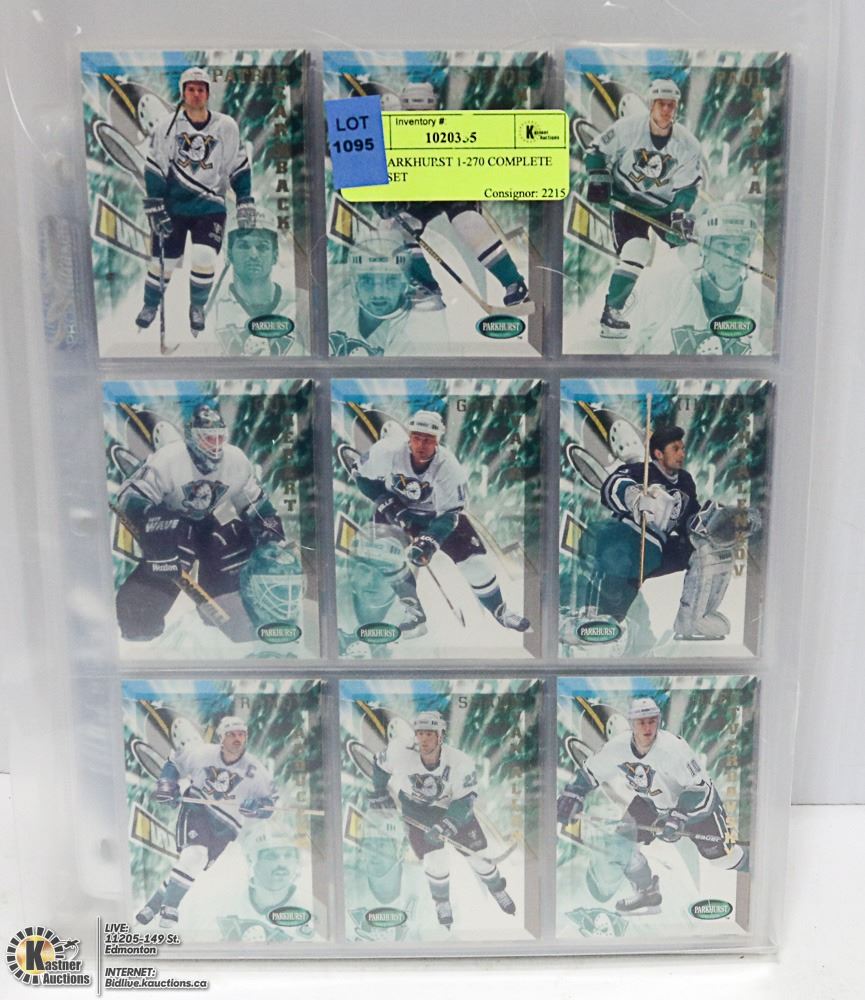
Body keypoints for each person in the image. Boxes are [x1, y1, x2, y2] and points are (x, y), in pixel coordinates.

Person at [112, 400, 286, 642]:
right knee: (174, 552)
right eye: (208, 438)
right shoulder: (169, 458)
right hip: (168, 523)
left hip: (205, 523)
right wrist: (152, 523)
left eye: (218, 438)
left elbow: (257, 506)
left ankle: (227, 606)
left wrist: (270, 530)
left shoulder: (235, 461)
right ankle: (140, 617)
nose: (214, 445)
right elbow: (130, 497)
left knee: (232, 538)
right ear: (192, 438)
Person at [556, 698, 746, 914]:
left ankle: (753, 868)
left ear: (658, 721)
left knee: (723, 860)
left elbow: (700, 789)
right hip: (652, 803)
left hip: (698, 809)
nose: (647, 728)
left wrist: (679, 816)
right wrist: (574, 793)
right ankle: (648, 893)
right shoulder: (618, 747)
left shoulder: (673, 749)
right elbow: (591, 771)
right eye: (641, 722)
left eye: (652, 721)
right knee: (621, 845)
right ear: (631, 724)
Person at [353, 409, 529, 633]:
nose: (421, 445)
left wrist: (429, 541)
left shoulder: (449, 467)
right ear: (409, 437)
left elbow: (451, 514)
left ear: (437, 441)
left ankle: (500, 611)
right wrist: (389, 505)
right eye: (417, 438)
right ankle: (413, 608)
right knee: (385, 554)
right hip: (397, 509)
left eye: (428, 440)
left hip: (438, 517)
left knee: (476, 565)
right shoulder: (387, 451)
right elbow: (361, 477)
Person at [569, 424, 746, 645]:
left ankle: (693, 620)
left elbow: (691, 519)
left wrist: (722, 522)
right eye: (675, 449)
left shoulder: (685, 481)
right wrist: (635, 497)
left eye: (683, 448)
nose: (682, 454)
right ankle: (594, 620)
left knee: (710, 549)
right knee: (613, 602)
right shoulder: (640, 471)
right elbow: (612, 486)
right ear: (659, 453)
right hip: (627, 540)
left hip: (656, 550)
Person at [371, 81, 530, 312]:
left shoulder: (449, 128)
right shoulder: (389, 131)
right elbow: (371, 173)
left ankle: (514, 283)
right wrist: (383, 203)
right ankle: (426, 288)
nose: (418, 117)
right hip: (414, 196)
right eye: (412, 111)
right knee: (395, 227)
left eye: (425, 111)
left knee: (468, 222)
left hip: (448, 189)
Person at [135, 67, 255, 337]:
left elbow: (237, 164)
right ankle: (150, 304)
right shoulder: (167, 126)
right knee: (163, 261)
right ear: (183, 92)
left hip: (210, 206)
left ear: (208, 93)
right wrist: (155, 203)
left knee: (204, 255)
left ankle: (197, 306)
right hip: (174, 206)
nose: (196, 94)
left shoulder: (226, 126)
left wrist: (245, 198)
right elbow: (155, 166)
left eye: (201, 89)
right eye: (191, 89)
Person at [369, 711, 515, 929]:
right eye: (420, 733)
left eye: (429, 734)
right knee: (436, 861)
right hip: (417, 811)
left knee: (480, 858)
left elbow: (465, 800)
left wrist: (446, 825)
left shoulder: (460, 762)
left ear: (441, 736)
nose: (424, 739)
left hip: (453, 809)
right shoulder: (399, 750)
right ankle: (442, 902)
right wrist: (379, 790)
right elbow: (380, 767)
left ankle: (497, 889)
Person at [584, 79, 701, 338]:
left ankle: (708, 310)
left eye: (671, 105)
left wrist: (680, 214)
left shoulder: (687, 144)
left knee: (693, 251)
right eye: (661, 104)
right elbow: (596, 151)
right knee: (637, 249)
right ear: (651, 105)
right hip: (627, 202)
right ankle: (612, 313)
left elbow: (688, 187)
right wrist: (598, 177)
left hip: (664, 206)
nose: (666, 110)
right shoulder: (627, 128)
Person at [136, 716, 277, 928]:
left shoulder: (256, 770)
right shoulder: (202, 753)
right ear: (221, 737)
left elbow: (271, 803)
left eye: (241, 734)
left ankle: (151, 907)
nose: (237, 739)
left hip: (227, 827)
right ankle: (170, 909)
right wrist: (167, 783)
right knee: (195, 856)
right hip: (198, 811)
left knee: (191, 865)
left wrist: (258, 808)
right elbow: (174, 763)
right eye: (231, 734)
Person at [634, 202, 766, 354]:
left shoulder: (761, 302)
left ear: (749, 250)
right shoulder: (664, 289)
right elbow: (618, 345)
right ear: (705, 247)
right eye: (723, 245)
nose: (732, 255)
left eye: (740, 246)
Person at [211, 214, 303, 356]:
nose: (253, 254)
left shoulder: (299, 304)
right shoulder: (211, 308)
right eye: (243, 246)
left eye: (262, 247)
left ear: (275, 256)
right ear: (229, 254)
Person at [215, 827, 313, 942]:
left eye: (288, 855)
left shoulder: (312, 908)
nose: (282, 864)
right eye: (271, 856)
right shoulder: (224, 905)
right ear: (251, 860)